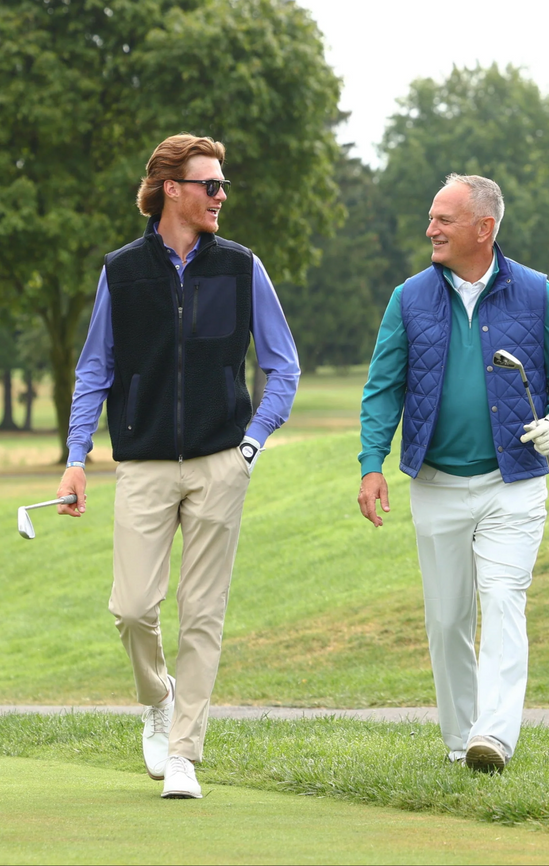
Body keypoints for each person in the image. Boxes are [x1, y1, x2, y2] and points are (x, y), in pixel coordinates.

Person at [56, 134, 301, 799]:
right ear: (173, 189)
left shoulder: (243, 268)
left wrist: (250, 445)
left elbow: (283, 368)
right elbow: (94, 370)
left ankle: (185, 754)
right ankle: (157, 696)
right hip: (142, 463)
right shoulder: (122, 271)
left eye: (223, 186)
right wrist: (76, 458)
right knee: (132, 609)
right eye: (210, 185)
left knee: (203, 613)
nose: (221, 196)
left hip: (222, 459)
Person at [357, 173, 549, 773]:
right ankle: (461, 741)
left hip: (513, 482)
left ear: (485, 228)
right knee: (448, 617)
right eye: (432, 218)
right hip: (435, 483)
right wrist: (371, 464)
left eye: (444, 220)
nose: (430, 229)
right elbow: (384, 387)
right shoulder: (408, 298)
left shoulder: (540, 294)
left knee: (504, 600)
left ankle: (494, 737)